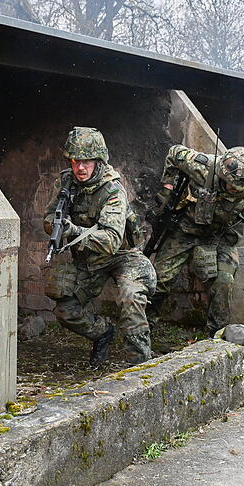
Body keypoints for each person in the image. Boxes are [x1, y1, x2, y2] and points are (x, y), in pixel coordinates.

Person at [44, 127, 156, 367]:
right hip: (90, 259)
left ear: (99, 161)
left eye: (86, 162)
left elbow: (111, 241)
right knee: (66, 310)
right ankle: (103, 333)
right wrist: (56, 225)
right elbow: (49, 216)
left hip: (123, 256)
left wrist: (73, 231)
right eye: (75, 161)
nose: (80, 168)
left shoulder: (113, 190)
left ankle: (140, 365)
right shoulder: (67, 182)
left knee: (130, 297)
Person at [149, 144, 244, 333]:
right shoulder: (200, 166)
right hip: (185, 230)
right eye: (232, 185)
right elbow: (174, 152)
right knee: (159, 279)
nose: (235, 191)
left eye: (240, 188)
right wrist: (168, 186)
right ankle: (145, 326)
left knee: (224, 281)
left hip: (219, 237)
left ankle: (216, 334)